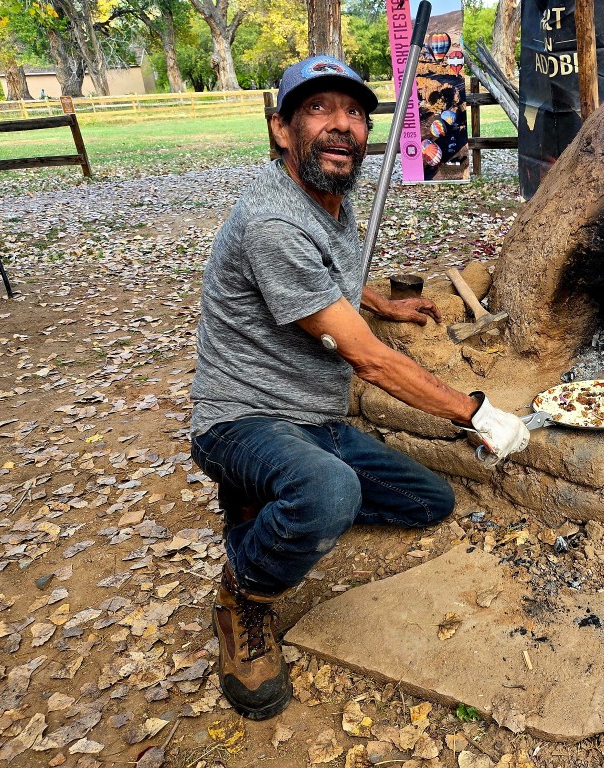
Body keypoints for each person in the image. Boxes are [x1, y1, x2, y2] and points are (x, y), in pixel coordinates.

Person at [189, 54, 530, 721]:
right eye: (318, 109)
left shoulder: (328, 199)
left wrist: (382, 301)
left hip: (314, 420)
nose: (341, 125)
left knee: (428, 501)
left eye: (353, 112)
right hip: (242, 418)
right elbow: (369, 361)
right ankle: (242, 595)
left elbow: (328, 277)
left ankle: (279, 498)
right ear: (281, 129)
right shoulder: (273, 222)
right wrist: (476, 413)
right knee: (330, 492)